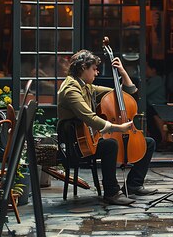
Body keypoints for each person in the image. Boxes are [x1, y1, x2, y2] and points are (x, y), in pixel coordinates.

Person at [57, 50, 158, 206]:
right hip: (76, 145)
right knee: (110, 144)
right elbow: (89, 118)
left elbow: (121, 94)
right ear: (84, 67)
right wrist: (118, 128)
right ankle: (111, 192)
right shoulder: (71, 89)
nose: (97, 72)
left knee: (149, 142)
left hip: (89, 138)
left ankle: (134, 184)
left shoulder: (87, 86)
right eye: (94, 69)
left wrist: (123, 73)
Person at [145, 59, 170, 147]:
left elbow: (146, 92)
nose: (145, 70)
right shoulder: (150, 80)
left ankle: (164, 140)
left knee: (152, 112)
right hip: (152, 106)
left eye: (147, 68)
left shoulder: (157, 79)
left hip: (158, 105)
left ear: (153, 70)